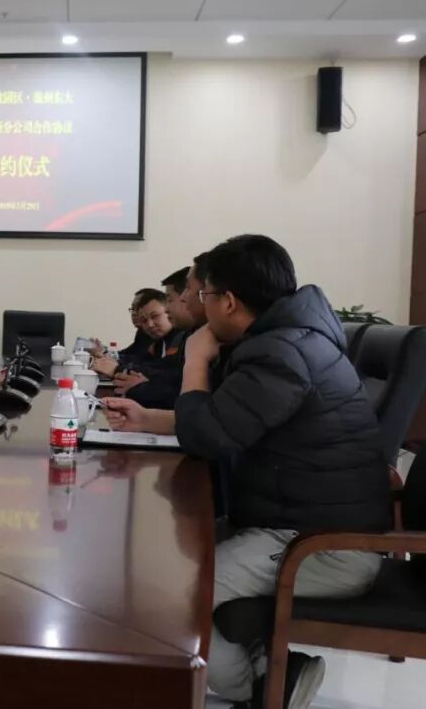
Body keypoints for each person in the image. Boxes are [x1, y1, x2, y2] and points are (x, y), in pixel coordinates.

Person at [106, 234, 389, 708]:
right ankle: (271, 669)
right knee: (174, 558)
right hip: (301, 524)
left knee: (180, 593)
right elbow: (228, 418)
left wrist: (195, 360)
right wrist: (148, 419)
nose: (197, 305)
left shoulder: (282, 354)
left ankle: (262, 689)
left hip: (323, 547)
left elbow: (208, 436)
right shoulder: (287, 341)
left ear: (229, 301)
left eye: (202, 294)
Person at [122, 266, 201, 409]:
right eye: (144, 320)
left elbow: (180, 395)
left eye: (169, 300)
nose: (167, 309)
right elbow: (160, 372)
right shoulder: (182, 337)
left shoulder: (204, 339)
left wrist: (141, 386)